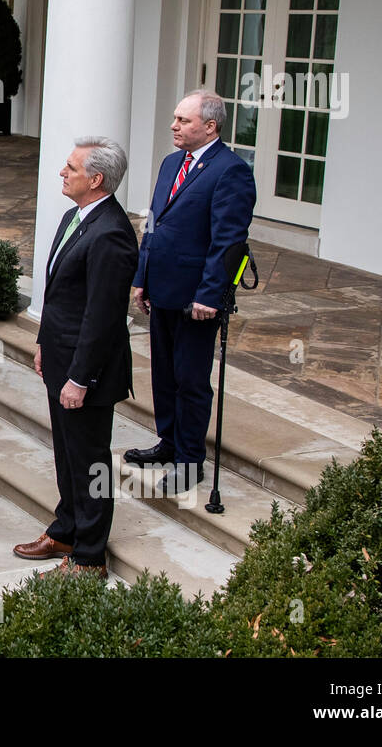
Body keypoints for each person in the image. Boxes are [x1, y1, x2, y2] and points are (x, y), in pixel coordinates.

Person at [12, 137, 138, 578]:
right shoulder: (75, 215)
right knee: (66, 456)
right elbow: (60, 297)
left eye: (71, 168)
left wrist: (81, 378)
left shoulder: (112, 233)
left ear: (96, 179)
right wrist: (45, 343)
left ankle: (88, 557)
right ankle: (65, 529)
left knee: (90, 463)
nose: (62, 173)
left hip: (89, 372)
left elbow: (102, 317)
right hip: (61, 357)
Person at [127, 90, 256, 494]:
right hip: (161, 287)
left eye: (183, 120)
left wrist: (210, 295)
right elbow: (155, 225)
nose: (174, 125)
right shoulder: (171, 163)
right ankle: (168, 442)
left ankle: (188, 461)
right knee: (164, 374)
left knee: (191, 379)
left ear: (210, 126)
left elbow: (227, 242)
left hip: (196, 298)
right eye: (175, 118)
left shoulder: (231, 171)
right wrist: (141, 276)